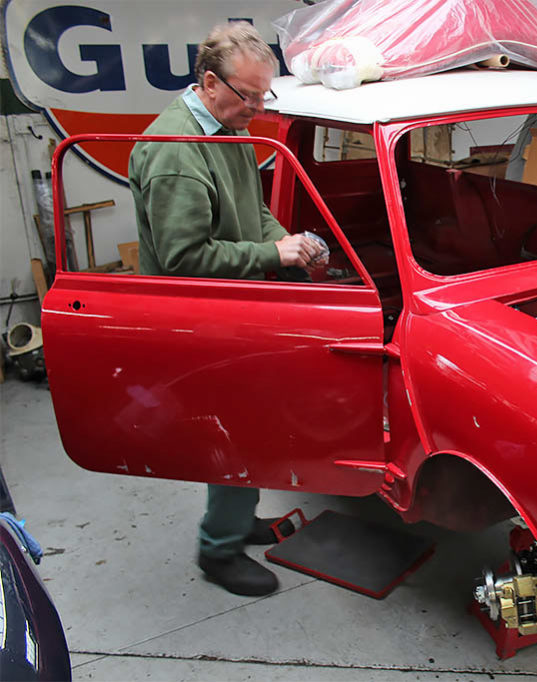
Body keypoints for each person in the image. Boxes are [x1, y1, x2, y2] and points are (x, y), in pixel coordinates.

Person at [129, 22, 322, 596]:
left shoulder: (227, 128)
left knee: (252, 423)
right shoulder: (175, 154)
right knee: (230, 434)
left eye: (267, 96)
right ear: (210, 83)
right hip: (196, 316)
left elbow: (253, 210)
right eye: (250, 96)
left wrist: (289, 245)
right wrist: (270, 253)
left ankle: (239, 519)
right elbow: (184, 257)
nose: (259, 110)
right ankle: (218, 551)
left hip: (233, 305)